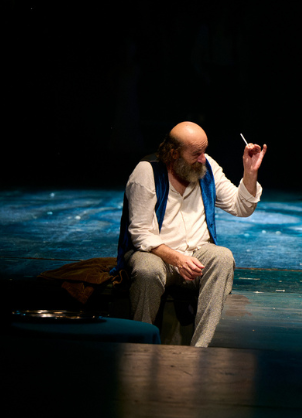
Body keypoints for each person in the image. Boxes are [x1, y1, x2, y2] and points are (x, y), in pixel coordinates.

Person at [113, 121, 267, 347]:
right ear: (174, 153)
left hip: (196, 255)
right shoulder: (146, 172)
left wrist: (250, 172)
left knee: (222, 257)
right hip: (156, 255)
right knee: (147, 269)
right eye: (196, 153)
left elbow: (241, 207)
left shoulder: (207, 167)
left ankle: (201, 348)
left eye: (204, 151)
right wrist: (177, 259)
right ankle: (140, 345)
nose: (203, 158)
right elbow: (141, 234)